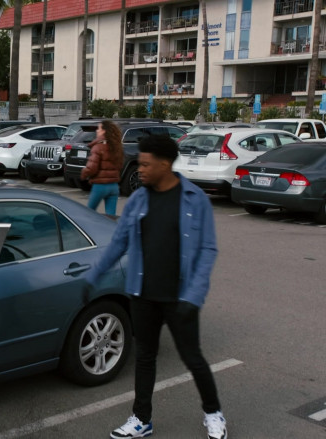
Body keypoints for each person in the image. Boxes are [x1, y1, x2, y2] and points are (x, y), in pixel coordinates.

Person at [84, 134, 227, 439]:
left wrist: (195, 296)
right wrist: (93, 276)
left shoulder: (194, 199)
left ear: (165, 164)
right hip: (142, 294)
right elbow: (118, 243)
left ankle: (213, 414)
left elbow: (208, 250)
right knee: (145, 358)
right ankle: (141, 418)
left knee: (193, 358)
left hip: (180, 297)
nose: (142, 169)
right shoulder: (138, 199)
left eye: (147, 164)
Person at [80, 120, 124, 216]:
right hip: (114, 186)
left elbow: (92, 168)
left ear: (104, 131)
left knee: (89, 214)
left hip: (100, 185)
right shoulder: (117, 147)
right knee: (111, 217)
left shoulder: (98, 147)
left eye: (99, 128)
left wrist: (84, 173)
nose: (97, 131)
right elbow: (120, 165)